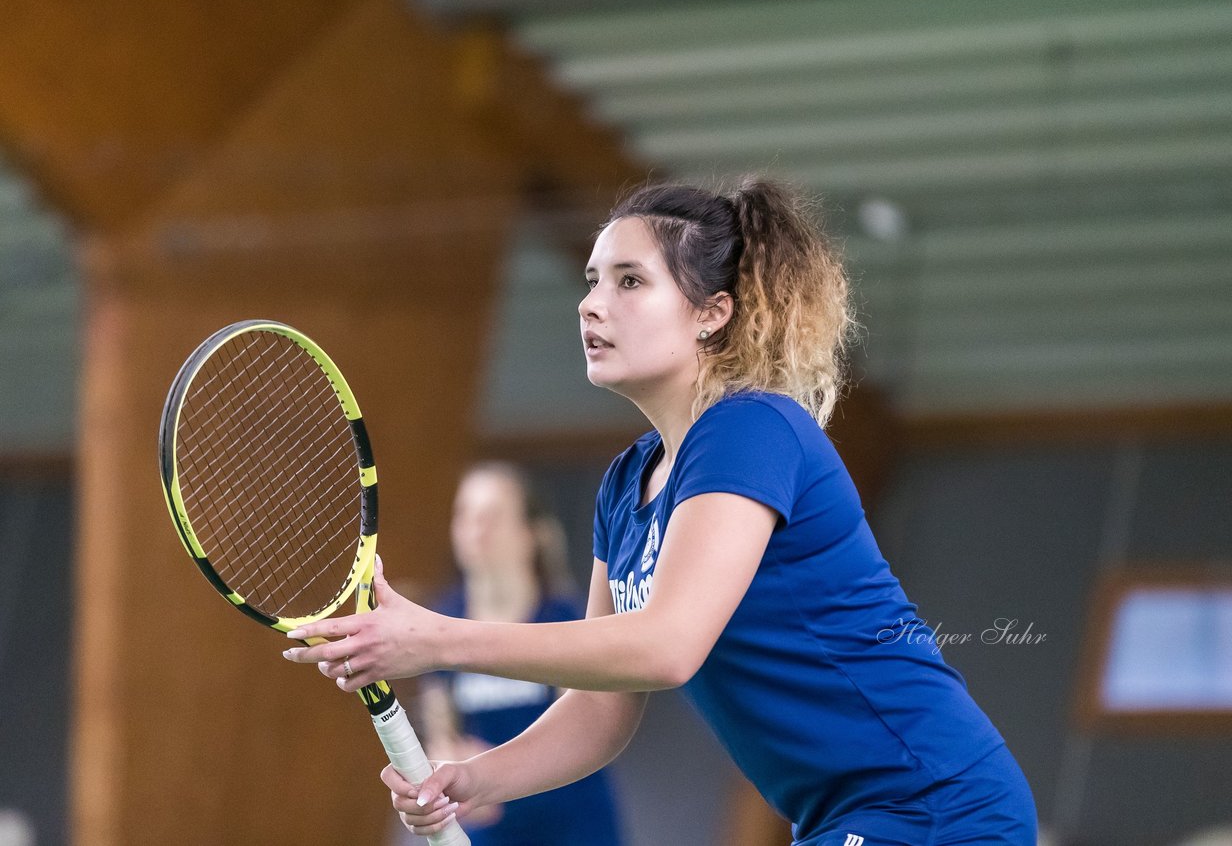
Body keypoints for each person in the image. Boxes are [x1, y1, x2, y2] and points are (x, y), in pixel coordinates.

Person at [284, 178, 1039, 845]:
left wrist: (436, 639)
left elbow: (666, 645)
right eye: (590, 280)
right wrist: (480, 779)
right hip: (844, 819)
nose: (591, 303)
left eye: (629, 281)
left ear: (712, 314)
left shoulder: (752, 429)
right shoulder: (625, 486)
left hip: (937, 805)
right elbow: (599, 710)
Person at [411, 461, 625, 846]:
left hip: (573, 827)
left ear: (533, 534)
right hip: (490, 830)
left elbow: (587, 724)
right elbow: (440, 729)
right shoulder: (441, 621)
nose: (477, 529)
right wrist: (452, 765)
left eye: (492, 516)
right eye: (466, 515)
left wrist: (496, 773)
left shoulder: (564, 619)